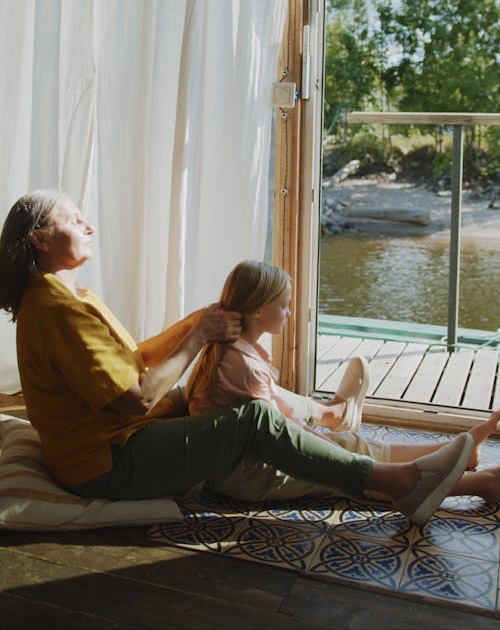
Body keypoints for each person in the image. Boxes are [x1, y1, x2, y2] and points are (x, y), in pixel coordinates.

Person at [0, 190, 483, 527]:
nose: (88, 225)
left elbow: (134, 357)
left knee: (203, 395)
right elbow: (136, 398)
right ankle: (393, 482)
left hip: (111, 444)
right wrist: (197, 340)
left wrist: (196, 324)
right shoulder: (56, 309)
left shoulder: (69, 296)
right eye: (73, 218)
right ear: (40, 239)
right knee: (251, 419)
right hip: (104, 465)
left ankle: (339, 426)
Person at [185, 259, 500, 505]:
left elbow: (277, 419)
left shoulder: (240, 351)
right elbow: (274, 434)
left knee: (346, 445)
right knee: (352, 471)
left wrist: (317, 437)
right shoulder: (240, 365)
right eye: (284, 305)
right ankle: (481, 484)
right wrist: (320, 445)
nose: (290, 312)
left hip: (248, 462)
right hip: (248, 475)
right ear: (257, 310)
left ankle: (453, 450)